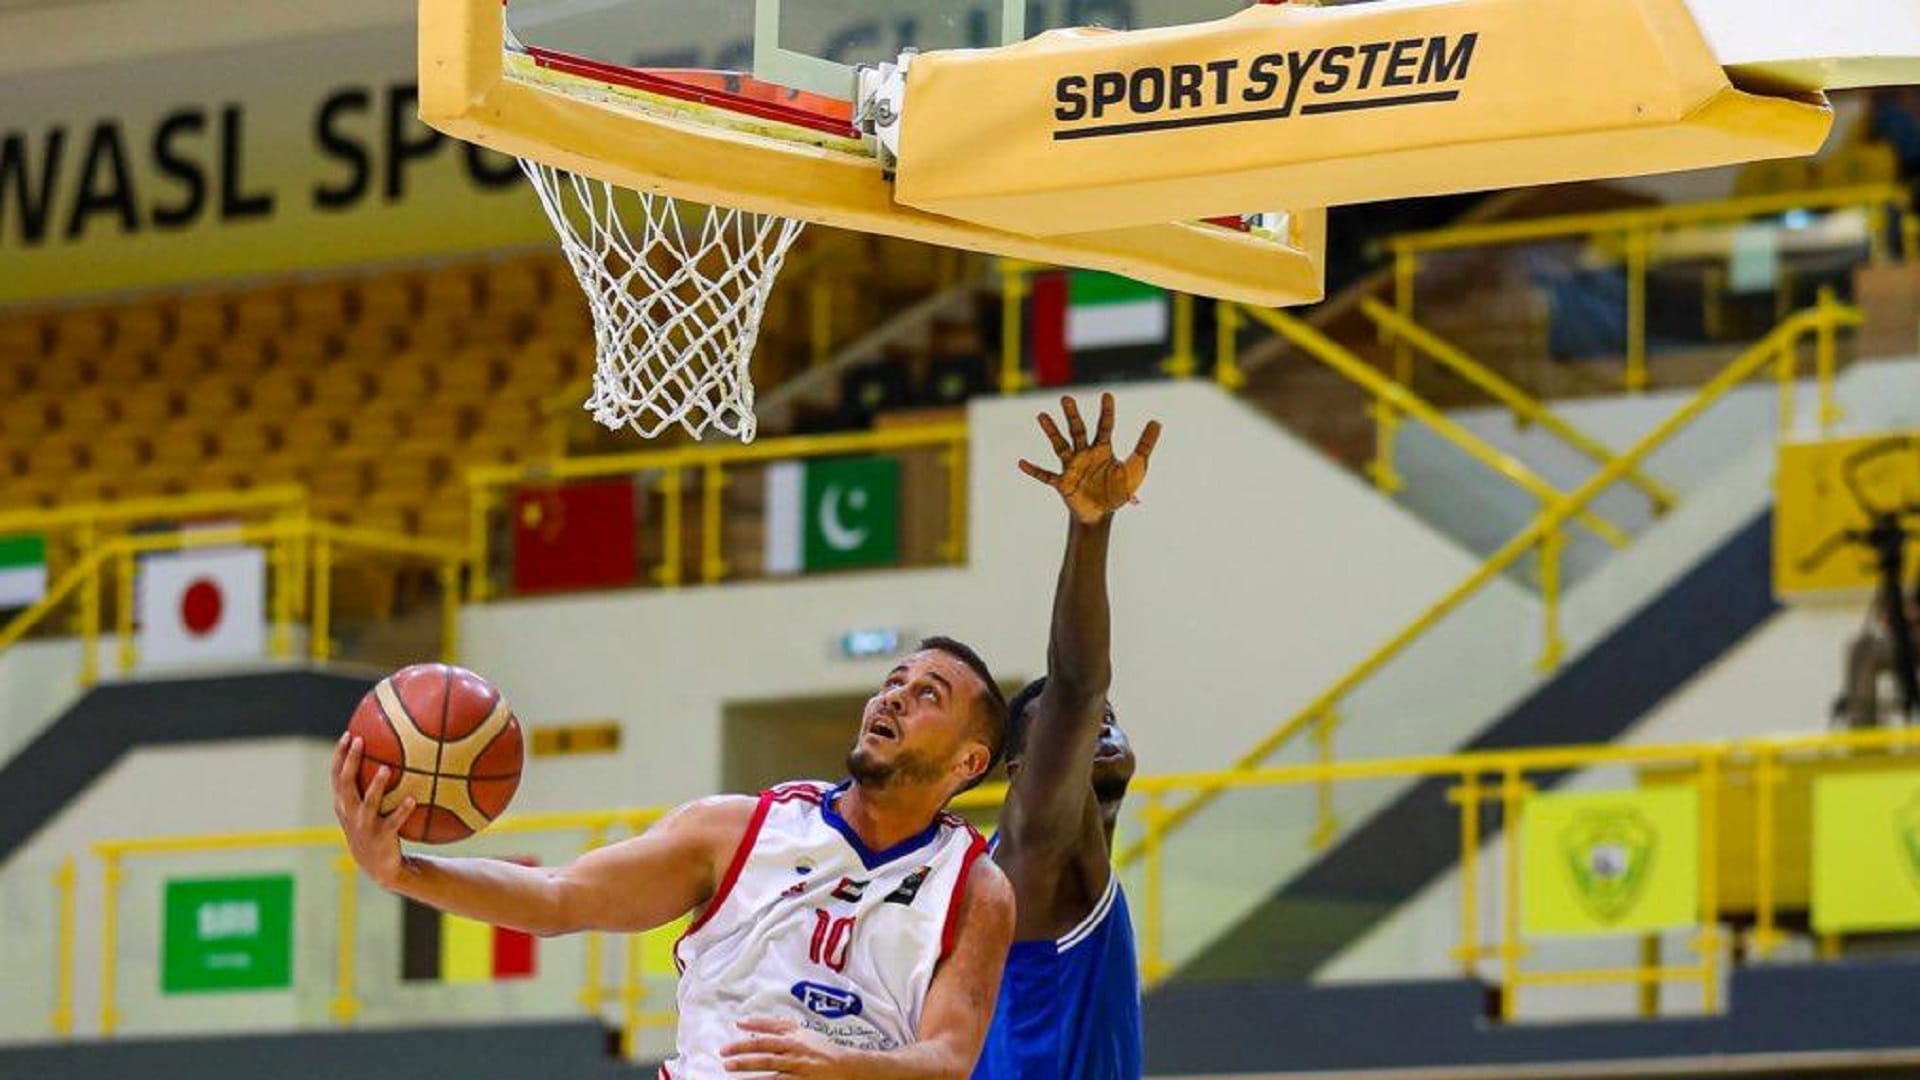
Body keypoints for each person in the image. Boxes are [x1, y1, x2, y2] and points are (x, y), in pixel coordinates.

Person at [332, 637, 1015, 1079]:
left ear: (970, 761)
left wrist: (840, 1063)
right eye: (894, 680)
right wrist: (402, 871)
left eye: (929, 694)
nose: (895, 695)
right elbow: (560, 897)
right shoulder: (735, 830)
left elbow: (948, 1058)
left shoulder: (976, 887)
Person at [975, 393, 1160, 1080]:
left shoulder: (1066, 882)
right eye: (1080, 731)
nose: (1099, 724)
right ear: (1025, 768)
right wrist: (1091, 528)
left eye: (1108, 719)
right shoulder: (1031, 859)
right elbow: (1078, 684)